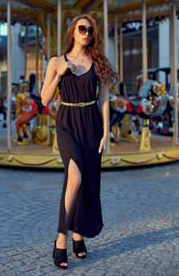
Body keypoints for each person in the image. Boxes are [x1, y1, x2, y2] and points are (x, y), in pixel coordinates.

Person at [41, 13, 119, 269]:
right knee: (75, 178)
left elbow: (104, 98)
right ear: (73, 31)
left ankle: (79, 235)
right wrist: (58, 74)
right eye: (82, 29)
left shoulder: (97, 62)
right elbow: (44, 99)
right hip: (67, 122)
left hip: (91, 123)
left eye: (90, 31)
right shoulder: (56, 61)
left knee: (87, 182)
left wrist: (106, 131)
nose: (87, 33)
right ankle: (61, 240)